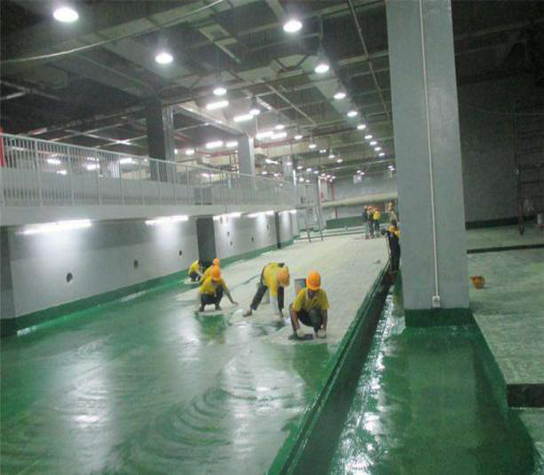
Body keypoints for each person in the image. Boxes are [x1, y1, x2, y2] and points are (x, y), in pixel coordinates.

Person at [290, 270, 329, 340]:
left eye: (315, 290)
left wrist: (324, 329)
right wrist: (298, 328)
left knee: (313, 311)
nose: (313, 292)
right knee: (291, 306)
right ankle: (296, 332)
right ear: (308, 287)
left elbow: (324, 313)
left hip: (317, 319)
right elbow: (293, 310)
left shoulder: (322, 294)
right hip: (305, 318)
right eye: (312, 290)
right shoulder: (302, 294)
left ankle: (318, 330)